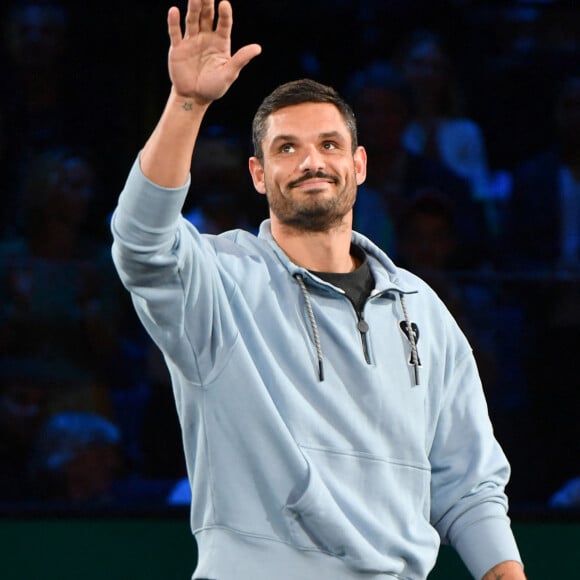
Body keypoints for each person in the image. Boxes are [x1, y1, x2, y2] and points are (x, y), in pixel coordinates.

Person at [111, 2, 525, 579]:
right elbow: (140, 243)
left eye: (329, 145)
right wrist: (189, 104)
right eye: (286, 148)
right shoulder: (219, 281)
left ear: (358, 165)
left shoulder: (420, 307)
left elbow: (468, 484)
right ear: (259, 175)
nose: (311, 160)